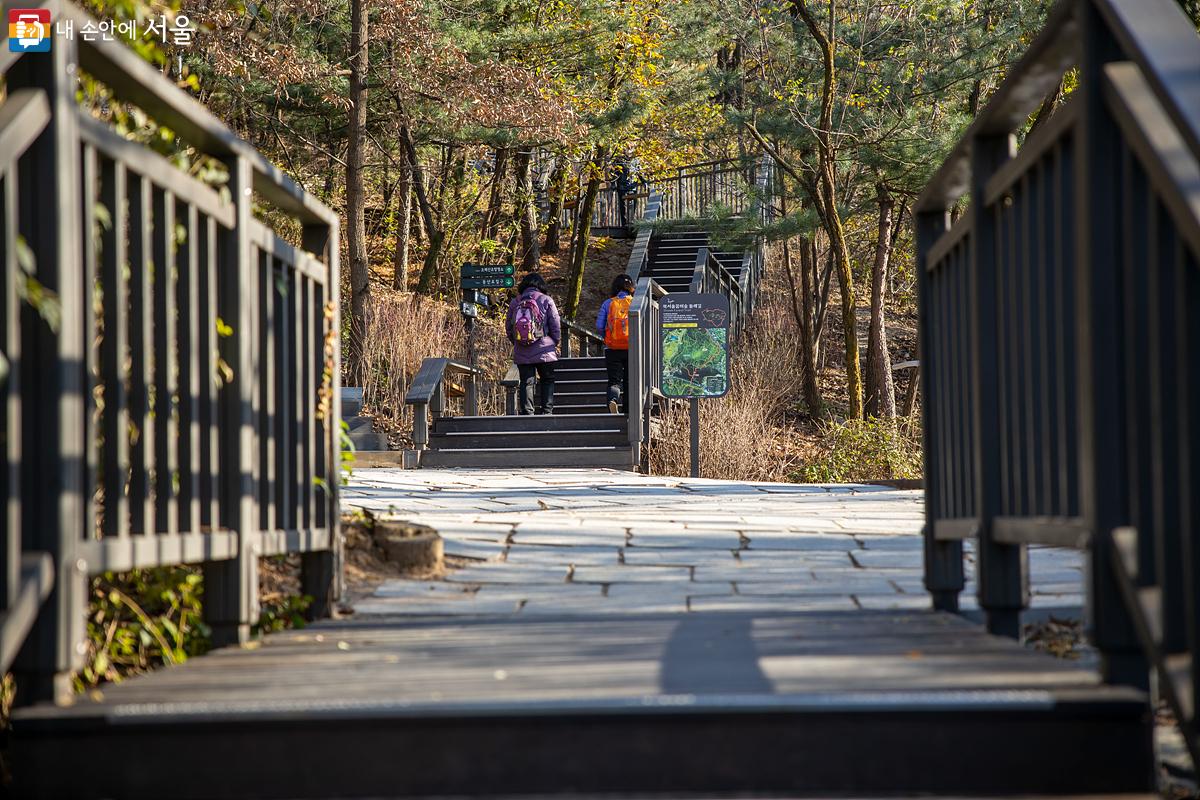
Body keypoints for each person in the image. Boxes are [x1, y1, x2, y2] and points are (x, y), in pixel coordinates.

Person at [506, 273, 561, 415]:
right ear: (541, 285)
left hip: (522, 349)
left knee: (526, 382)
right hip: (545, 348)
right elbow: (555, 324)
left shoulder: (515, 302)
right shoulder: (546, 300)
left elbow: (508, 327)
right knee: (547, 380)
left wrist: (517, 342)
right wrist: (554, 341)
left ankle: (527, 413)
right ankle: (546, 412)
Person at [596, 274, 635, 415]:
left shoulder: (608, 303)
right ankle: (629, 409)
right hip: (633, 347)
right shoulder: (636, 302)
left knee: (614, 380)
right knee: (630, 380)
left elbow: (599, 326)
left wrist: (607, 338)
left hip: (612, 348)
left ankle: (613, 399)